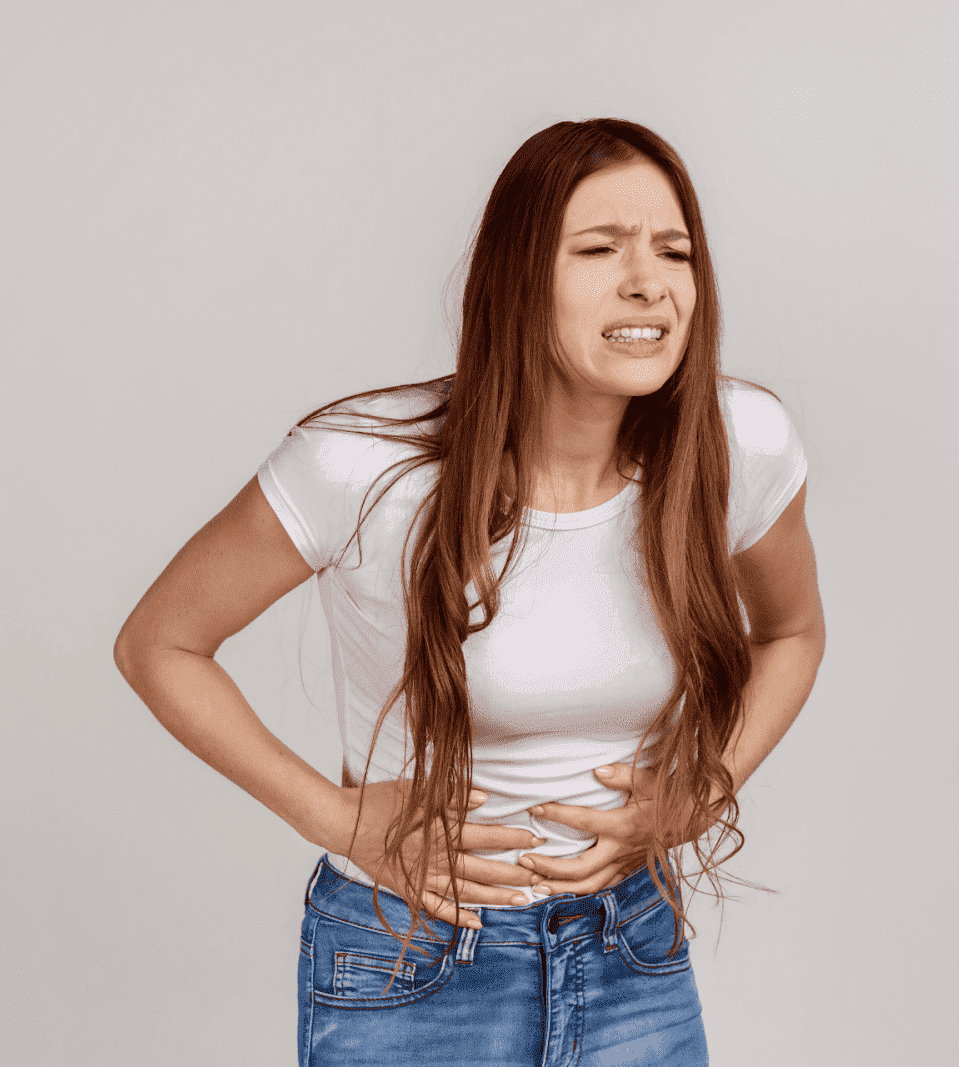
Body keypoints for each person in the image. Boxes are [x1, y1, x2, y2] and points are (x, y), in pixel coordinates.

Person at [113, 118, 825, 1067]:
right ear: (519, 277)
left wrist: (699, 789)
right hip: (414, 961)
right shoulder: (367, 464)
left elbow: (793, 632)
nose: (649, 281)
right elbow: (158, 641)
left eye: (675, 251)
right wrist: (337, 819)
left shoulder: (737, 445)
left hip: (632, 948)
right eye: (600, 248)